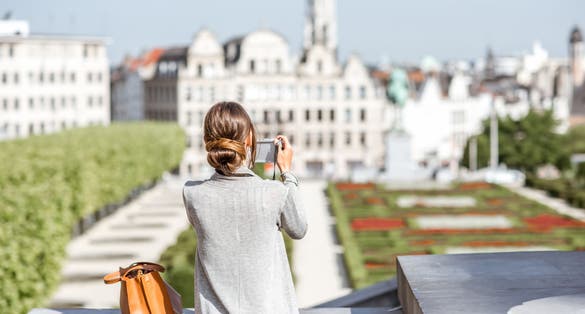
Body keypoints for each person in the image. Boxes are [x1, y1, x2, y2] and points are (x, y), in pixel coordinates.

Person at [182, 101, 308, 314]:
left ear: (206, 141)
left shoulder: (192, 193)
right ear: (249, 138)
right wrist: (287, 173)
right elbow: (299, 228)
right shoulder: (274, 192)